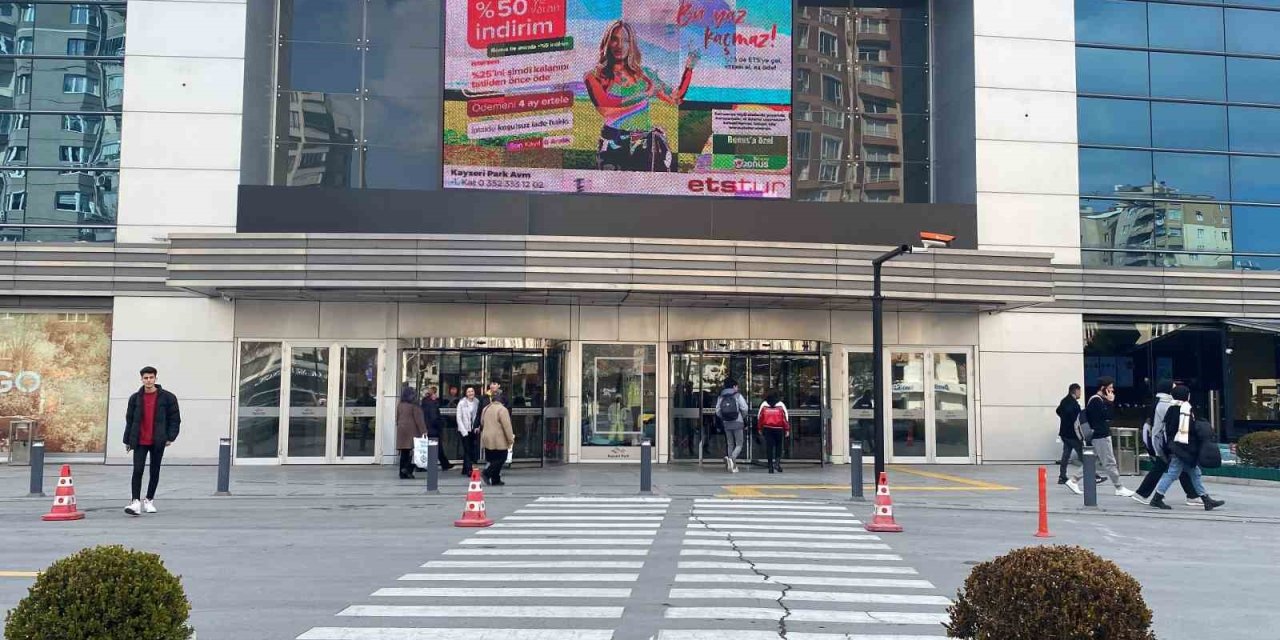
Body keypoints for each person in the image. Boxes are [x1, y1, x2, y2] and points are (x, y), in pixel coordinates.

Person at [584, 20, 697, 172]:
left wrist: (689, 67)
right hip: (612, 142)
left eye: (625, 41)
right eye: (614, 39)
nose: (620, 45)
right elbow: (606, 109)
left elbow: (676, 98)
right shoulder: (594, 76)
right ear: (607, 42)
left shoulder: (646, 75)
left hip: (643, 144)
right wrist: (644, 95)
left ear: (631, 45)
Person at [1150, 385, 1226, 511]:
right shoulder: (1182, 409)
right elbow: (1187, 429)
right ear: (1185, 395)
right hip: (1181, 448)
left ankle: (1206, 499)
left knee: (1194, 473)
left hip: (1179, 448)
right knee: (1173, 473)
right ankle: (1157, 498)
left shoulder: (1173, 409)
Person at [123, 366, 180, 516]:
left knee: (154, 471)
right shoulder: (135, 398)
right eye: (145, 378)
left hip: (158, 440)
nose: (148, 380)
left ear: (155, 378)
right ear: (141, 379)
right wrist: (128, 440)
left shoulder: (168, 397)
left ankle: (149, 500)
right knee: (137, 470)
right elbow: (130, 421)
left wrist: (170, 437)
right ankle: (135, 502)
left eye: (151, 377)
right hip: (140, 441)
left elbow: (175, 419)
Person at [1067, 376, 1136, 497]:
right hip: (1100, 436)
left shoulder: (1097, 400)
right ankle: (1119, 487)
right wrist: (1110, 402)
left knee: (1091, 461)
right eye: (1110, 388)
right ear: (1103, 388)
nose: (1112, 390)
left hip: (1099, 436)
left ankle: (1073, 480)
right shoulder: (1096, 401)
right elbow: (1107, 416)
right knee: (1110, 462)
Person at [1133, 380, 1200, 505]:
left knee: (1175, 466)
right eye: (1173, 388)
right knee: (1172, 466)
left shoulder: (1159, 402)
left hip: (1161, 441)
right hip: (1165, 442)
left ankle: (1192, 495)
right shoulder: (1166, 404)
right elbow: (1169, 424)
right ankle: (1148, 494)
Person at [480, 392, 515, 486]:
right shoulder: (502, 410)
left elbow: (482, 422)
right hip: (498, 438)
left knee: (492, 459)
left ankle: (496, 479)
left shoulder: (485, 408)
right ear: (502, 402)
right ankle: (486, 473)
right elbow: (507, 426)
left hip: (487, 437)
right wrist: (510, 439)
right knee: (502, 458)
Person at [716, 378, 750, 473]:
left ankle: (731, 465)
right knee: (739, 443)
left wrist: (724, 417)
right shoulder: (737, 395)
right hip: (737, 421)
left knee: (730, 443)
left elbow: (717, 411)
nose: (737, 388)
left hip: (726, 422)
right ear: (734, 386)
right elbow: (745, 408)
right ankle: (732, 458)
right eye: (737, 386)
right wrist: (741, 416)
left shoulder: (721, 396)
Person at [395, 386, 426, 480]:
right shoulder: (414, 406)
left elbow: (397, 418)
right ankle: (408, 469)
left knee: (404, 452)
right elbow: (419, 420)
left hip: (401, 430)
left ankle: (401, 472)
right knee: (413, 452)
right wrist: (424, 431)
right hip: (412, 431)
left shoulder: (400, 405)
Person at [420, 385, 453, 471]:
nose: (437, 395)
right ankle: (443, 464)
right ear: (433, 394)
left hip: (428, 427)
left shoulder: (425, 402)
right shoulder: (432, 404)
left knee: (436, 447)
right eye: (436, 393)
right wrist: (440, 424)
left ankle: (445, 463)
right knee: (436, 448)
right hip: (433, 429)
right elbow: (434, 417)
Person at [1055, 383, 1083, 485]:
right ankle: (1093, 474)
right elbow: (1077, 420)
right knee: (1083, 455)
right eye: (1079, 391)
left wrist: (1064, 419)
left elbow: (1058, 410)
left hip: (1064, 433)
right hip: (1072, 434)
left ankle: (1062, 476)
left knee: (1066, 455)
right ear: (1075, 391)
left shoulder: (1064, 401)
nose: (1080, 394)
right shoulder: (1074, 405)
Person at [757, 390, 790, 474]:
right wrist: (787, 429)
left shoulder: (764, 404)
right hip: (779, 428)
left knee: (769, 447)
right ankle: (777, 463)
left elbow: (760, 417)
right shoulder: (781, 404)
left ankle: (770, 466)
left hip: (767, 428)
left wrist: (760, 428)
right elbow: (785, 418)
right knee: (779, 446)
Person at [456, 386, 481, 477]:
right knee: (467, 450)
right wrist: (464, 431)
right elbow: (459, 418)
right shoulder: (461, 403)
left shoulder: (477, 402)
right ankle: (469, 470)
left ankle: (465, 469)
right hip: (464, 430)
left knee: (472, 449)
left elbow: (479, 415)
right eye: (469, 391)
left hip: (473, 430)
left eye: (472, 391)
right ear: (466, 393)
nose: (471, 393)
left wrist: (478, 427)